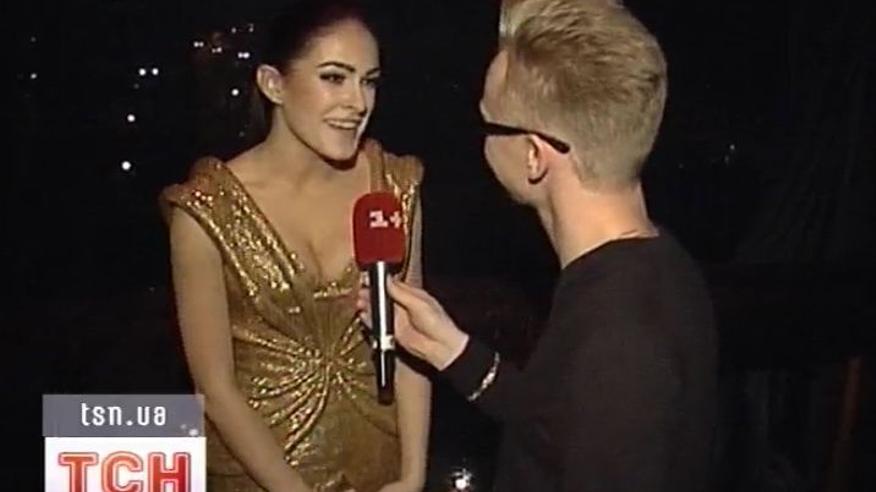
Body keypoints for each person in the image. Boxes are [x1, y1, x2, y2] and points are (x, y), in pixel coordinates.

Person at [358, 0, 718, 491]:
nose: (481, 141)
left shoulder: (618, 341)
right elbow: (561, 424)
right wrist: (452, 350)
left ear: (533, 156)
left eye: (489, 125)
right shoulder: (657, 265)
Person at [159, 1, 431, 491]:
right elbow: (215, 390)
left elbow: (412, 341)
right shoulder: (206, 212)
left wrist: (412, 476)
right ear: (273, 84)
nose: (358, 102)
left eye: (369, 81)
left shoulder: (393, 188)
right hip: (255, 476)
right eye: (334, 78)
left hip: (380, 469)